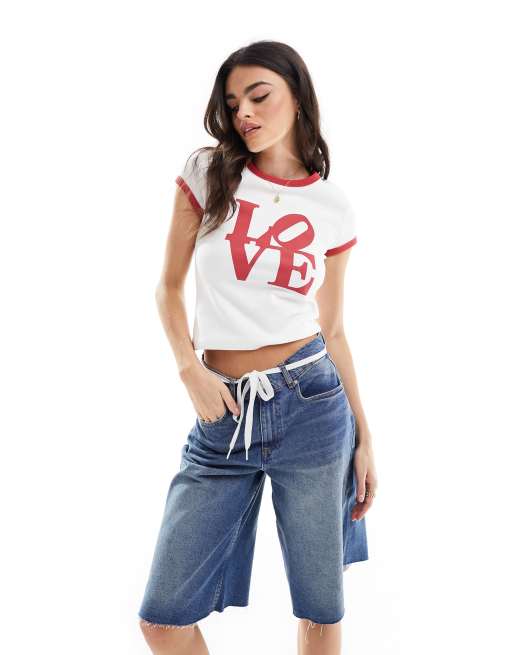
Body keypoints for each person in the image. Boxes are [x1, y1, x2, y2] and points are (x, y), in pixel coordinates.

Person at [138, 40, 378, 655]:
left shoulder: (332, 206)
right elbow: (168, 288)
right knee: (162, 619)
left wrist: (365, 436)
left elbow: (335, 329)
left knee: (320, 611)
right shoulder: (209, 173)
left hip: (313, 403)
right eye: (232, 102)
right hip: (222, 411)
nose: (243, 111)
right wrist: (189, 369)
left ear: (297, 98)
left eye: (259, 95)